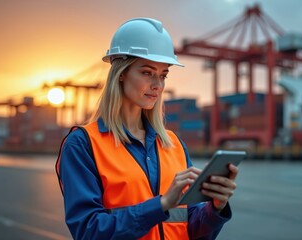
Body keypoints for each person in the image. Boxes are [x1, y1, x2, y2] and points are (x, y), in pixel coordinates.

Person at [55, 17, 239, 240]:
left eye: (163, 75)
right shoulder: (83, 144)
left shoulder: (173, 144)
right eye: (147, 72)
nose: (158, 85)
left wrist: (215, 208)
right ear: (121, 73)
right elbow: (88, 231)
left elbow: (189, 229)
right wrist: (160, 205)